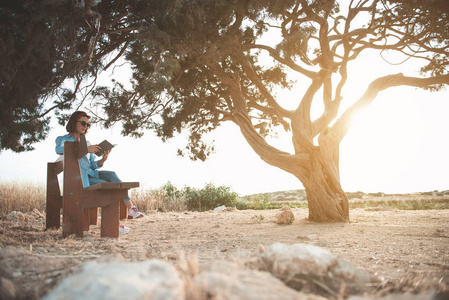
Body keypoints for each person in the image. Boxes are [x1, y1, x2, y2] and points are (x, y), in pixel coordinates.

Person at [55, 111, 144, 235]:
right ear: (74, 122)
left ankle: (131, 208)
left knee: (112, 175)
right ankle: (115, 224)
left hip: (92, 175)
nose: (85, 127)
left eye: (87, 125)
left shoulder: (86, 142)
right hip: (79, 179)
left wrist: (103, 159)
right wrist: (85, 150)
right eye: (83, 123)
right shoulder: (63, 139)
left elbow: (92, 165)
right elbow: (59, 150)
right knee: (107, 186)